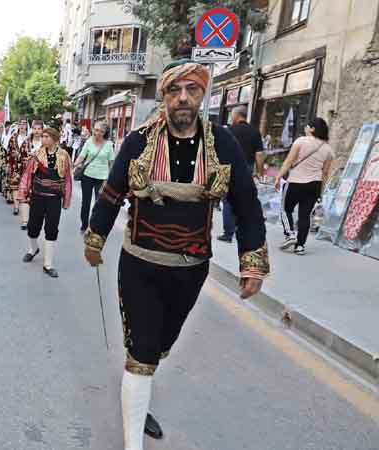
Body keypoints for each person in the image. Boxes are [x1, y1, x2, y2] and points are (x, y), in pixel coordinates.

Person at [84, 60, 268, 450]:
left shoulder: (223, 144)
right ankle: (133, 440)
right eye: (174, 90)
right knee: (142, 350)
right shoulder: (138, 141)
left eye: (192, 90)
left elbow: (247, 205)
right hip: (140, 266)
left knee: (160, 346)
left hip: (191, 269)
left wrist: (251, 261)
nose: (183, 98)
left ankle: (138, 394)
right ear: (165, 96)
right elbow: (113, 192)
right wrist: (95, 237)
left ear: (202, 95)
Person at [274, 117, 334, 255]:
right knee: (305, 215)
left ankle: (290, 234)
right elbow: (325, 173)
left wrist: (278, 177)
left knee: (285, 209)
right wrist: (320, 191)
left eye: (307, 126)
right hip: (314, 185)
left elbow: (289, 162)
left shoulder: (300, 141)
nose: (305, 128)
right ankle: (300, 246)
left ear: (312, 129)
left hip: (296, 182)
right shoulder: (328, 149)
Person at [19, 127, 72, 277]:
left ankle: (48, 264)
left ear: (55, 139)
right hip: (38, 196)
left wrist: (66, 198)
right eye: (43, 136)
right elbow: (27, 175)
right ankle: (33, 249)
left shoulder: (64, 155)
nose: (44, 139)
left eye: (47, 136)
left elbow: (67, 179)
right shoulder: (37, 154)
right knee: (33, 227)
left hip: (54, 199)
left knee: (51, 229)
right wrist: (22, 191)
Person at [218, 105, 265, 243]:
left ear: (237, 115)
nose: (231, 118)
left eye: (232, 115)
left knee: (228, 200)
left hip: (229, 167)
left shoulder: (229, 131)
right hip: (247, 168)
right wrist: (259, 171)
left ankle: (228, 233)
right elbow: (259, 154)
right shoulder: (254, 131)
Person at [73, 121, 114, 232]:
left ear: (105, 132)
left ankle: (94, 226)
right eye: (96, 130)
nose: (98, 133)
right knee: (85, 202)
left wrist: (110, 179)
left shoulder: (109, 145)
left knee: (98, 203)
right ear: (93, 130)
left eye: (101, 131)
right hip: (87, 176)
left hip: (102, 177)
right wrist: (74, 164)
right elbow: (82, 156)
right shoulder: (89, 142)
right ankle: (84, 225)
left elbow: (111, 163)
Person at [18, 120, 45, 229]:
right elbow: (20, 157)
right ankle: (25, 221)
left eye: (39, 129)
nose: (37, 131)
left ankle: (34, 220)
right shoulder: (26, 142)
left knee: (36, 198)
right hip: (26, 173)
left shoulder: (46, 142)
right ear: (32, 129)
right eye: (35, 129)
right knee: (25, 194)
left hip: (41, 175)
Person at [6, 118, 31, 213]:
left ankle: (24, 204)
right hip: (15, 164)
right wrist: (8, 164)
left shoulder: (29, 138)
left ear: (26, 126)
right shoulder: (13, 137)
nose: (22, 126)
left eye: (24, 124)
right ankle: (16, 207)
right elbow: (8, 151)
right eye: (20, 124)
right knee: (15, 185)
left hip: (26, 166)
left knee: (24, 185)